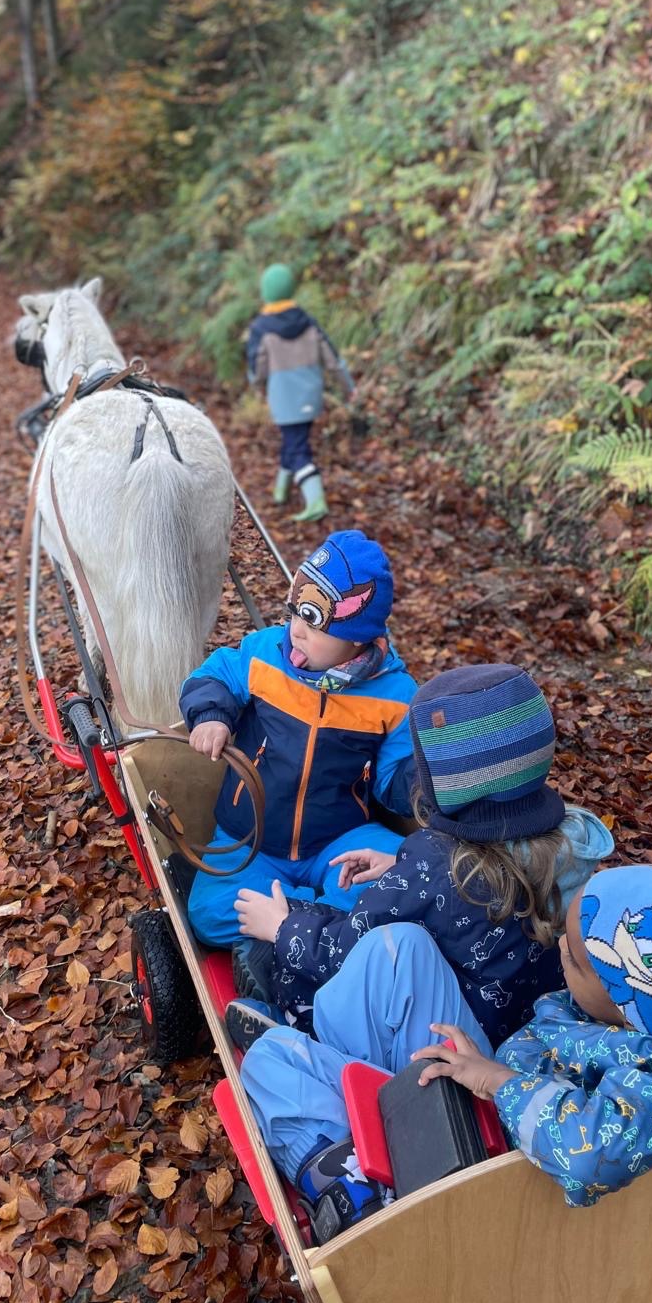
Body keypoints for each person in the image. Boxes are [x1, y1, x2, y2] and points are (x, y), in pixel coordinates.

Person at [238, 863, 652, 1242]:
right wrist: (491, 1071)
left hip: (478, 1172)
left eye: (573, 958)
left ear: (638, 1001)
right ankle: (332, 1074)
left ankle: (351, 1185)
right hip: (480, 1106)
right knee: (401, 951)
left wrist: (496, 1081)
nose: (560, 956)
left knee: (270, 1060)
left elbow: (590, 1153)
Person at [225, 665, 614, 1048]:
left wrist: (281, 927)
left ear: (445, 779)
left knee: (334, 934)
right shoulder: (571, 840)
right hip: (518, 1024)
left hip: (438, 1041)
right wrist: (400, 867)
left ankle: (301, 1029)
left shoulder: (436, 862)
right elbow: (481, 888)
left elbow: (348, 949)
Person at [181, 530, 416, 949]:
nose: (296, 632)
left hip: (338, 839)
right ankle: (322, 920)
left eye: (313, 623)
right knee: (207, 911)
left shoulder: (394, 696)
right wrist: (212, 716)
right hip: (250, 838)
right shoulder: (265, 655)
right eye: (295, 614)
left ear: (357, 636)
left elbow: (395, 777)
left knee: (405, 871)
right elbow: (215, 675)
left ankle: (293, 920)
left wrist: (422, 784)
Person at [245, 263, 354, 523]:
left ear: (266, 292)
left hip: (284, 399)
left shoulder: (261, 328)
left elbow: (257, 367)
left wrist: (257, 386)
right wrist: (348, 387)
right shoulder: (308, 321)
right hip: (310, 396)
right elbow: (333, 359)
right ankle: (281, 491)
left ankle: (316, 501)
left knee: (297, 447)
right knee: (294, 440)